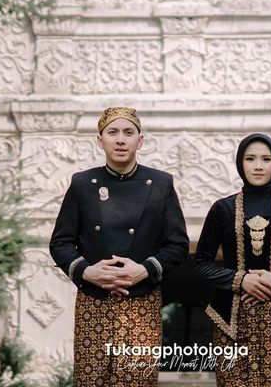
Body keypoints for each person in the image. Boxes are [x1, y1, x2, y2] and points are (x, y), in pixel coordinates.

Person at [49, 106, 189, 386]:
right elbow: (61, 242)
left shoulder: (161, 183)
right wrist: (86, 271)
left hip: (141, 302)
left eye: (128, 132)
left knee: (136, 380)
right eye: (112, 132)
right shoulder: (82, 183)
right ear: (100, 140)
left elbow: (178, 244)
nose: (121, 139)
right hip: (94, 302)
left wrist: (146, 270)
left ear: (141, 139)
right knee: (92, 380)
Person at [193, 133, 271, 386]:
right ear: (240, 163)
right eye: (250, 159)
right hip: (230, 321)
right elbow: (201, 263)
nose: (258, 166)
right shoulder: (222, 209)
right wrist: (241, 280)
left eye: (266, 159)